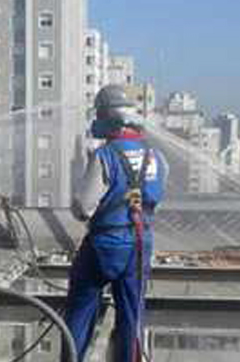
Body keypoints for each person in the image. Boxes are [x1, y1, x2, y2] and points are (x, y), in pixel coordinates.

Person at [61, 85, 166, 362]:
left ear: (108, 117)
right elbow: (155, 200)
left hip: (105, 245)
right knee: (132, 316)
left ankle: (72, 358)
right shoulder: (155, 157)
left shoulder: (104, 156)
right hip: (140, 244)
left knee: (80, 309)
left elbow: (83, 209)